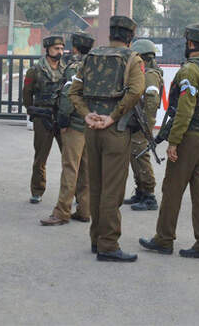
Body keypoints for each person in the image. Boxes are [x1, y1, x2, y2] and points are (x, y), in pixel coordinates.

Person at [139, 24, 199, 260]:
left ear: (191, 43)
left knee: (172, 189)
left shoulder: (190, 70)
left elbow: (184, 109)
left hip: (189, 138)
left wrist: (174, 141)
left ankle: (164, 239)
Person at [68, 15, 145, 262]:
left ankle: (96, 239)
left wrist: (86, 114)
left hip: (92, 129)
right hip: (116, 130)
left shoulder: (91, 57)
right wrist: (112, 116)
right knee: (113, 189)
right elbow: (136, 91)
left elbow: (74, 91)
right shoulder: (133, 59)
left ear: (110, 34)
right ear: (131, 37)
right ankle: (109, 245)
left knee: (96, 186)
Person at [40, 32, 94, 226]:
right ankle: (85, 210)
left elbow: (68, 95)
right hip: (91, 123)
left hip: (75, 124)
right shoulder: (95, 65)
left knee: (70, 168)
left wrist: (63, 120)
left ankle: (62, 212)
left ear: (75, 48)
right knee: (86, 169)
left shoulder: (74, 67)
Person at [123, 38, 164, 211]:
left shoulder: (150, 75)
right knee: (135, 156)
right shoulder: (144, 72)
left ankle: (149, 195)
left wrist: (146, 122)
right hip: (137, 121)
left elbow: (152, 99)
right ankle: (140, 190)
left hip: (142, 122)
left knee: (141, 157)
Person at [23, 35, 65, 204]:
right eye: (56, 48)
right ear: (48, 49)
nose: (60, 52)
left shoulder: (66, 69)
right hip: (43, 117)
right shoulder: (35, 70)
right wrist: (32, 111)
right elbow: (27, 93)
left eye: (61, 48)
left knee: (70, 157)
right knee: (40, 157)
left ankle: (77, 192)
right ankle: (37, 190)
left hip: (62, 117)